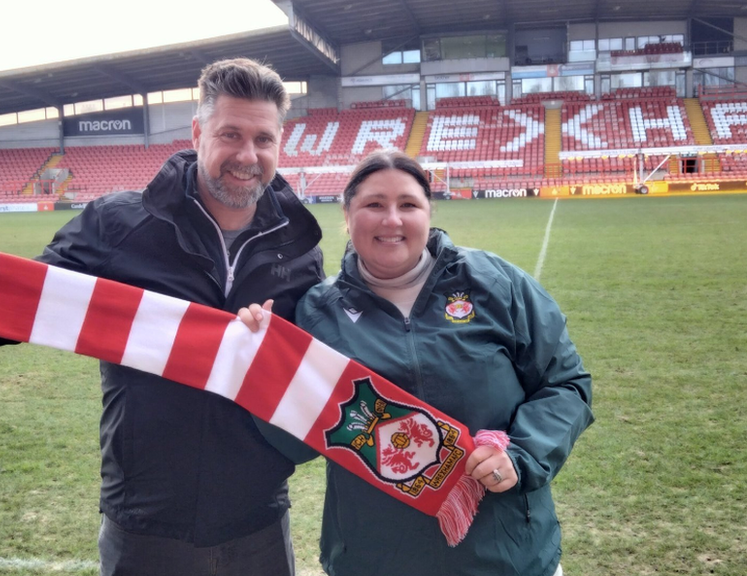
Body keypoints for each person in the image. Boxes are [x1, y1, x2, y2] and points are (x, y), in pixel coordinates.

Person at [0, 58, 325, 576]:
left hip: (260, 523)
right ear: (198, 132)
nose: (247, 156)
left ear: (279, 144)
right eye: (231, 134)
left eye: (263, 139)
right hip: (145, 522)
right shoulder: (118, 224)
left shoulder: (299, 244)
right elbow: (9, 308)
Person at [239, 150, 593, 576]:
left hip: (507, 556)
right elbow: (294, 443)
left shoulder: (497, 283)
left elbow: (566, 384)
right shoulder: (318, 311)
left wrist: (521, 453)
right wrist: (258, 365)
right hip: (375, 558)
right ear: (347, 213)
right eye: (374, 204)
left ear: (429, 211)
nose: (392, 220)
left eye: (408, 204)